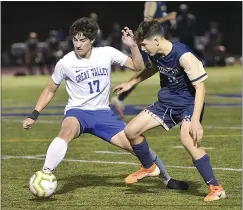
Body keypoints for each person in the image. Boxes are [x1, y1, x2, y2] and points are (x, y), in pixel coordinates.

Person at [22, 17, 188, 190]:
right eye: (75, 40)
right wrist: (34, 114)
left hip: (103, 114)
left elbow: (138, 66)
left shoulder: (107, 53)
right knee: (66, 130)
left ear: (92, 40)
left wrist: (132, 46)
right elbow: (50, 90)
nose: (78, 44)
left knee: (137, 145)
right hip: (78, 112)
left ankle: (167, 179)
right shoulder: (65, 62)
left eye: (83, 40)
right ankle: (46, 174)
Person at [113, 20, 226, 201]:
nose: (143, 49)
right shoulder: (156, 52)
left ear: (156, 40)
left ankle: (216, 188)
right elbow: (151, 69)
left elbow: (201, 88)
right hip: (167, 102)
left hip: (188, 104)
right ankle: (149, 167)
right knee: (131, 131)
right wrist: (130, 83)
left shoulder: (184, 55)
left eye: (144, 45)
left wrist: (195, 119)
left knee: (187, 139)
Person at [112, 1, 176, 118]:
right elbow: (147, 22)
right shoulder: (152, 2)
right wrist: (168, 17)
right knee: (146, 70)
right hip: (150, 44)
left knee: (161, 68)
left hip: (158, 44)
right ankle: (120, 97)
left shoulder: (162, 3)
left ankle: (121, 97)